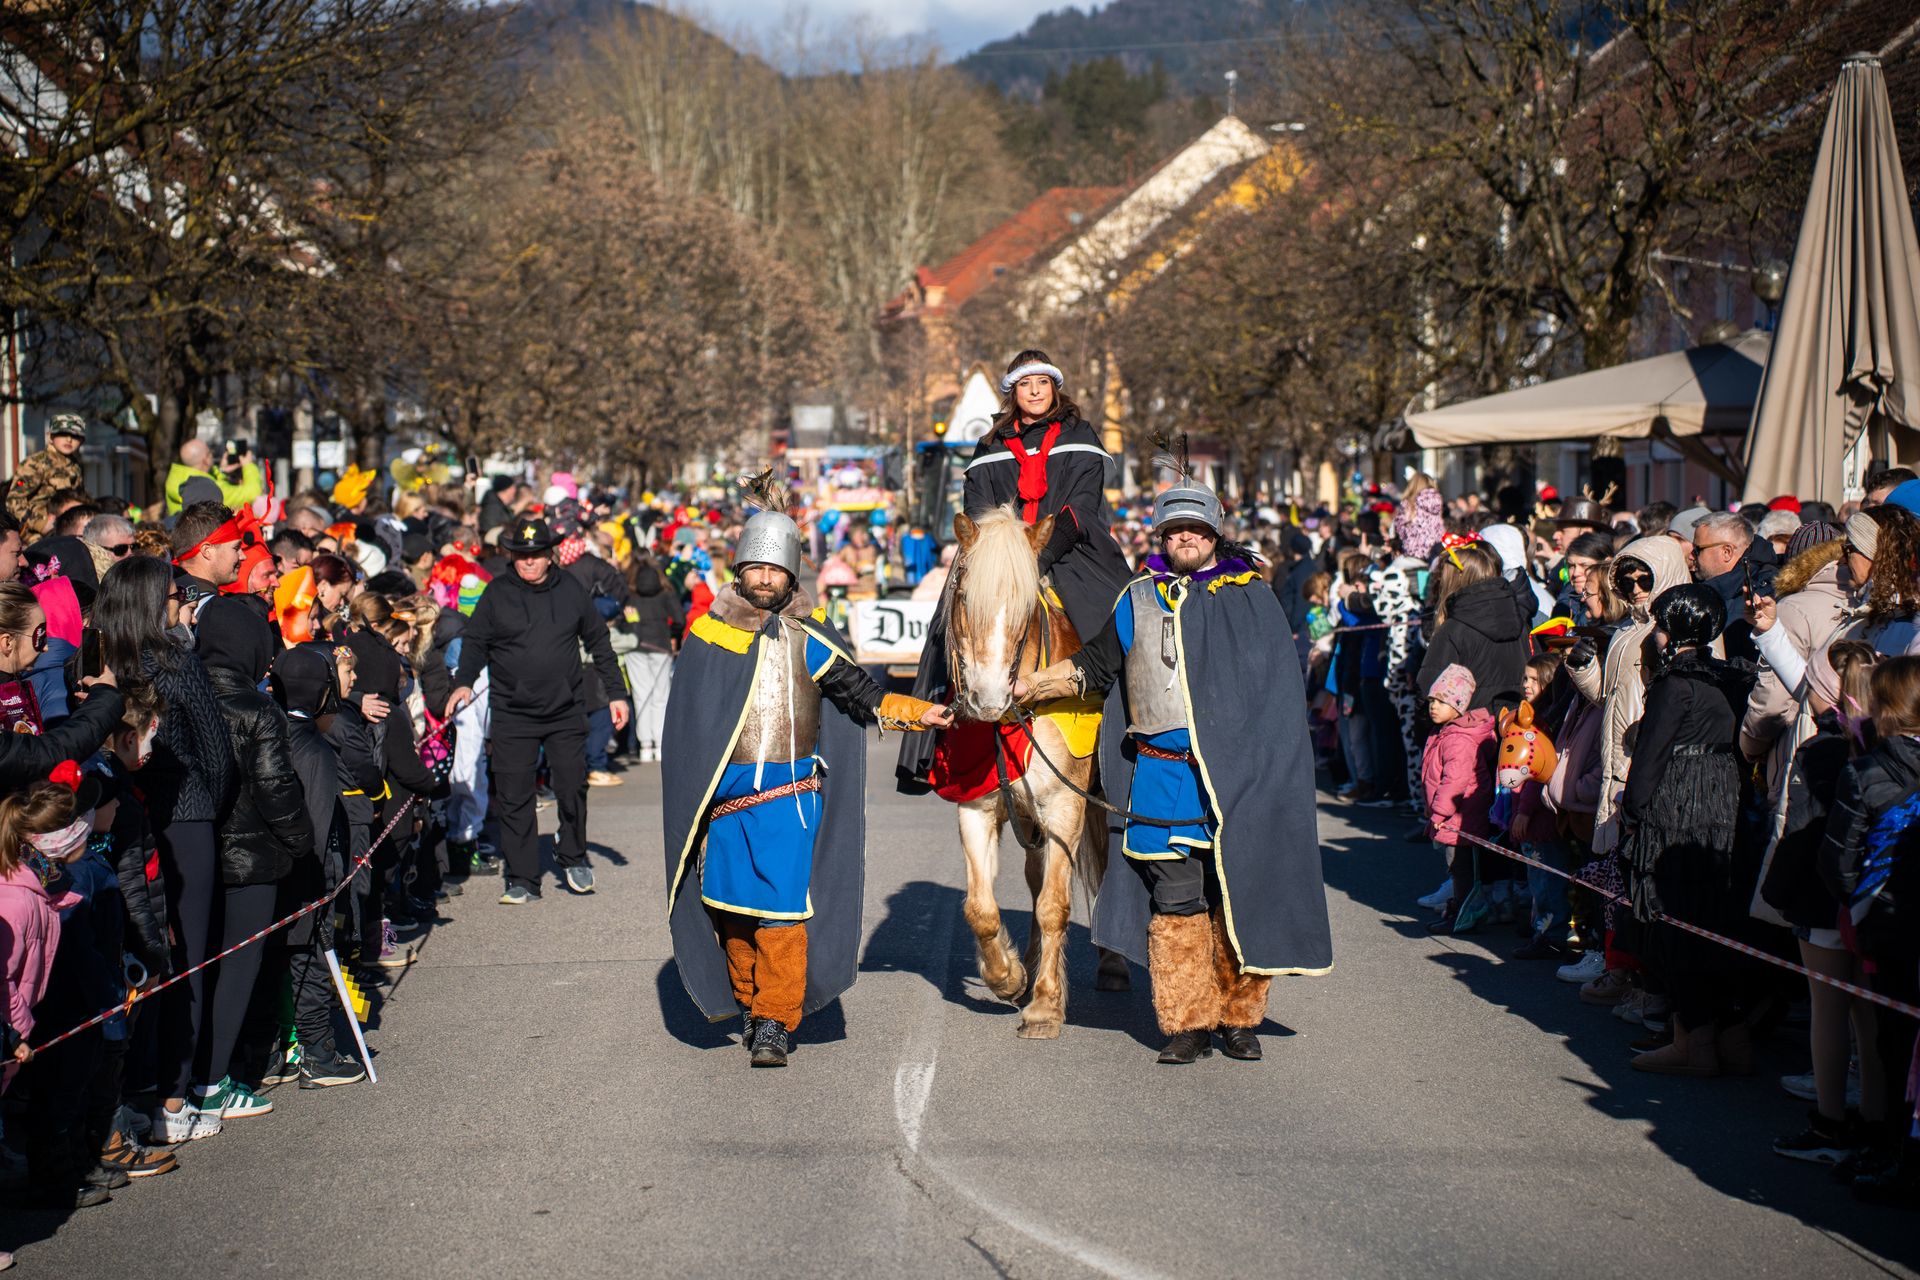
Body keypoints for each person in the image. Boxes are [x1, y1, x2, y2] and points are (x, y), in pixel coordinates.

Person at [1016, 471, 1333, 1064]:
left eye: (1196, 528)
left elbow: (1277, 698)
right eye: (1175, 529)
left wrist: (1271, 778)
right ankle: (1189, 1021)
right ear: (1162, 536)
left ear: (1214, 534)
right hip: (1162, 780)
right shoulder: (1136, 598)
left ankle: (1238, 1017)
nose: (1186, 537)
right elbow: (1096, 666)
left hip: (1238, 781)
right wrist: (1031, 685)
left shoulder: (1249, 596)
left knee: (1233, 895)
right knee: (1176, 900)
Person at [660, 480, 948, 1066]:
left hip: (788, 802)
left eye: (777, 571)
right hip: (724, 807)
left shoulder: (809, 638)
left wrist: (917, 712)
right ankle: (749, 1002)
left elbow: (861, 694)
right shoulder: (708, 636)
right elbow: (689, 728)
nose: (766, 579)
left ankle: (774, 1020)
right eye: (757, 568)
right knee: (730, 912)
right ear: (740, 569)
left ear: (792, 576)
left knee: (782, 912)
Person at [897, 350, 1131, 790]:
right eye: (1026, 384)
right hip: (998, 557)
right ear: (1013, 392)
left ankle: (1129, 742)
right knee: (946, 628)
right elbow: (977, 511)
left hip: (1070, 549)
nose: (1035, 391)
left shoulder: (1081, 436)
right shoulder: (990, 446)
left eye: (1043, 383)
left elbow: (1082, 507)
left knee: (1123, 621)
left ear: (1054, 388)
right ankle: (932, 743)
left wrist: (1036, 556)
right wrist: (1004, 558)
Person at [95, 554, 236, 1144]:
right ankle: (173, 1100)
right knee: (188, 958)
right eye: (173, 592)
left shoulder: (100, 662)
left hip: (116, 820)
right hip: (181, 817)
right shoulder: (175, 661)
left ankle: (135, 1096)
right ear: (152, 602)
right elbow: (217, 749)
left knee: (140, 957)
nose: (181, 598)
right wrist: (208, 806)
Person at [446, 518, 630, 903]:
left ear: (550, 556)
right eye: (521, 555)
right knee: (514, 795)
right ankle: (523, 878)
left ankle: (573, 854)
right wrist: (463, 681)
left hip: (565, 709)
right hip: (513, 711)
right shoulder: (497, 593)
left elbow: (599, 640)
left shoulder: (571, 590)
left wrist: (616, 693)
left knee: (572, 785)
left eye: (536, 554)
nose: (528, 561)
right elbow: (475, 642)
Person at [1620, 584, 1756, 1077]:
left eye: (1660, 625)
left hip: (1679, 802)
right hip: (1725, 799)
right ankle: (1733, 1041)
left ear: (1676, 631)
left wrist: (1631, 812)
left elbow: (1650, 756)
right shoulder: (1730, 679)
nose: (1655, 634)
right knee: (1717, 922)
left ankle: (1692, 1041)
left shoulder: (1674, 684)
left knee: (1675, 925)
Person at [190, 597, 313, 1119]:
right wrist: (301, 842)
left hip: (195, 853)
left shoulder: (184, 695)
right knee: (239, 969)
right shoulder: (257, 708)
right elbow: (276, 788)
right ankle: (212, 1082)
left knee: (199, 970)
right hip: (251, 857)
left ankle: (191, 1076)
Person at [1818, 655, 1920, 1204]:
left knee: (1895, 1042)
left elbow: (1837, 861)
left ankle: (1896, 1156)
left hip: (1884, 923)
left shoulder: (1866, 770)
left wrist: (1857, 901)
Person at [1422, 663, 1498, 932]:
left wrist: (1439, 813)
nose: (1433, 706)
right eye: (1432, 700)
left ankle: (1463, 914)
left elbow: (1454, 781)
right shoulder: (1445, 732)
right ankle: (1461, 909)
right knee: (1458, 867)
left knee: (1460, 867)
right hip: (1452, 815)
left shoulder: (1458, 739)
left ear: (1458, 706)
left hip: (1460, 815)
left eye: (1441, 701)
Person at [624, 557, 683, 764]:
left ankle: (645, 746)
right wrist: (673, 636)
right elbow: (679, 619)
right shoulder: (666, 592)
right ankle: (659, 745)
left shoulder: (630, 592)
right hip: (661, 645)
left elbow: (622, 617)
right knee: (661, 696)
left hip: (635, 645)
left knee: (641, 695)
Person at [7, 413, 87, 535]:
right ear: (50, 436)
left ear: (82, 441)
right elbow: (13, 500)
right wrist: (40, 523)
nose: (69, 439)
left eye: (75, 436)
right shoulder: (36, 463)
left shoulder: (75, 467)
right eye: (62, 434)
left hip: (66, 528)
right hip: (35, 533)